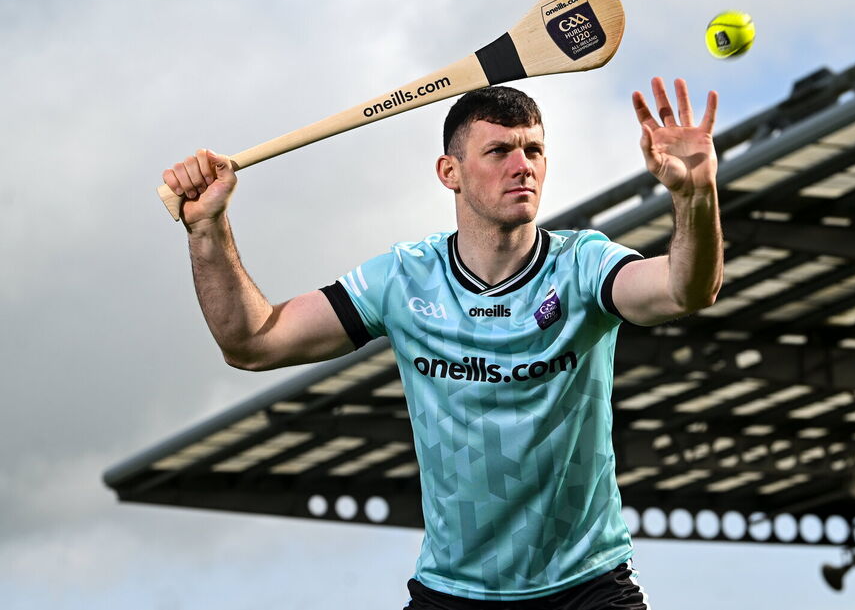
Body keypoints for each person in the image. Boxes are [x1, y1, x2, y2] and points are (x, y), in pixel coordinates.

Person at [162, 77, 724, 609]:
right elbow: (253, 343)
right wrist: (207, 229)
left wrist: (695, 195)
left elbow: (684, 291)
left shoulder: (582, 266)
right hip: (453, 593)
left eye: (534, 150)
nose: (522, 166)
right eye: (499, 151)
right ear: (449, 172)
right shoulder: (402, 281)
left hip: (588, 588)